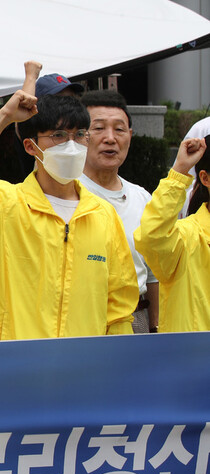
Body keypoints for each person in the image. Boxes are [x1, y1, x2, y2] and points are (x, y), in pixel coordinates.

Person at [0, 89, 137, 341]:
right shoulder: (2, 204)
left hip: (80, 370)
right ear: (30, 146)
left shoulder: (103, 215)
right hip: (10, 368)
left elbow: (119, 304)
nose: (71, 145)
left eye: (79, 135)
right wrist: (3, 117)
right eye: (58, 135)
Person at [79, 90, 158, 333]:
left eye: (120, 129)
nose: (110, 138)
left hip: (137, 319)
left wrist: (156, 327)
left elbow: (154, 274)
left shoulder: (143, 198)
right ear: (80, 136)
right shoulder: (67, 192)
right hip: (83, 322)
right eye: (99, 128)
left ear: (130, 136)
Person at [134, 137, 210, 332]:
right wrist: (178, 173)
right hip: (194, 360)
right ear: (205, 178)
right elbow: (151, 236)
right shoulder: (187, 238)